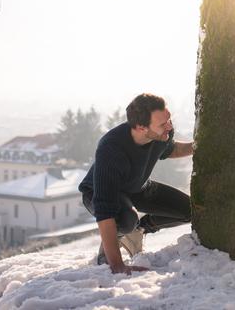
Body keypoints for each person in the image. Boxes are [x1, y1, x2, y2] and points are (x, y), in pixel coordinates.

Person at [78, 93, 194, 275]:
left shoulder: (161, 134)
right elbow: (104, 210)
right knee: (125, 220)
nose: (170, 127)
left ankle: (138, 229)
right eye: (163, 124)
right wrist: (117, 265)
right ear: (141, 127)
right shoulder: (111, 148)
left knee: (191, 211)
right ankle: (108, 253)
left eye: (169, 119)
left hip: (137, 187)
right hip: (100, 192)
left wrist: (196, 146)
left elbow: (169, 148)